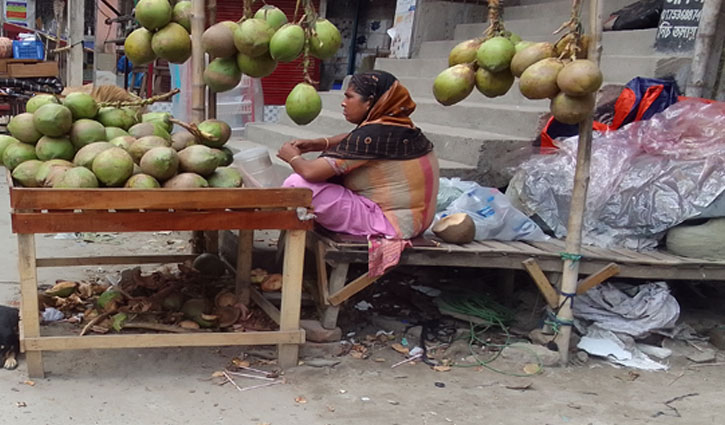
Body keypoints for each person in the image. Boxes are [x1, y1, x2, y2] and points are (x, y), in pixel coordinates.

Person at [277, 70, 439, 240]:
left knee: (298, 186)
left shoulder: (374, 135)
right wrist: (319, 143)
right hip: (415, 221)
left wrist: (292, 157)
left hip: (390, 224)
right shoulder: (399, 128)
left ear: (369, 102)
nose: (343, 103)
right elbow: (355, 138)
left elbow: (311, 172)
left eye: (349, 97)